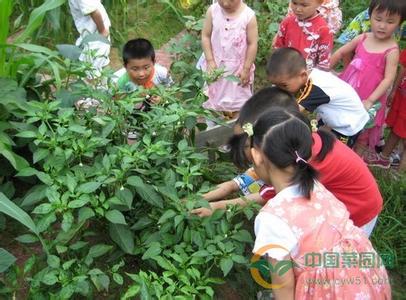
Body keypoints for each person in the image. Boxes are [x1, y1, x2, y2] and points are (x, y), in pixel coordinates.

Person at [192, 87, 383, 237]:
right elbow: (261, 171)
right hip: (337, 200)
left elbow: (270, 196)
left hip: (356, 212)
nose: (251, 156)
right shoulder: (298, 144)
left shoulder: (306, 165)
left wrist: (218, 207)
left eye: (248, 147)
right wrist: (229, 186)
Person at [250, 109, 391, 300]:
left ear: (256, 156)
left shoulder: (271, 219)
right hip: (364, 276)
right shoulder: (316, 185)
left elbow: (283, 288)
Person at [191, 87, 298, 217]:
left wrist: (215, 207)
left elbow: (256, 199)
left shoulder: (285, 182)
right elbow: (231, 185)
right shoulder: (271, 162)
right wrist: (196, 199)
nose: (244, 150)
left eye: (246, 145)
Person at [330, 0, 404, 157]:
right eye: (378, 19)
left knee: (363, 131)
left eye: (390, 22)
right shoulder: (363, 38)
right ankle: (335, 153)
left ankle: (356, 160)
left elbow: (388, 79)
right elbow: (341, 52)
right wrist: (324, 68)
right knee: (340, 121)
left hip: (370, 96)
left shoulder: (392, 50)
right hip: (350, 89)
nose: (382, 26)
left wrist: (370, 100)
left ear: (399, 24)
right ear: (369, 17)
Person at [267, 47, 369, 148]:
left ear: (302, 75)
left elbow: (293, 111)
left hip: (348, 124)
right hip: (337, 114)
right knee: (318, 138)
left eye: (284, 85)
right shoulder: (308, 76)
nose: (280, 89)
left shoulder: (314, 88)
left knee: (335, 151)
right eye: (276, 85)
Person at [198, 0, 258, 115]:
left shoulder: (248, 16)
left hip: (238, 71)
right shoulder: (213, 11)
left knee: (239, 105)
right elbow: (206, 36)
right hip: (215, 67)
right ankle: (212, 126)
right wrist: (210, 60)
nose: (225, 3)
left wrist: (246, 68)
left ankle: (236, 126)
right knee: (212, 102)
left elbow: (252, 44)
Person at [367, 49, 406, 171]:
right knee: (397, 129)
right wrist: (394, 91)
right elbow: (403, 68)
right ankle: (384, 158)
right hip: (402, 96)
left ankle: (399, 173)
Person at [273, 0, 333, 70]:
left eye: (304, 5)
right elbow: (278, 48)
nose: (298, 9)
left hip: (308, 76)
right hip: (284, 72)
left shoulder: (323, 29)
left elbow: (323, 63)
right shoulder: (287, 22)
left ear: (319, 3)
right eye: (294, 3)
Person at [68, 0, 111, 77]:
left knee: (101, 64)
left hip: (95, 36)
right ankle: (97, 87)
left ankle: (105, 86)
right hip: (95, 37)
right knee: (92, 72)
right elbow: (93, 11)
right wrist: (102, 31)